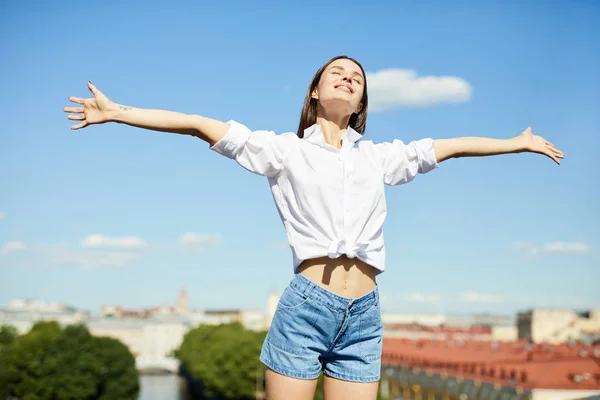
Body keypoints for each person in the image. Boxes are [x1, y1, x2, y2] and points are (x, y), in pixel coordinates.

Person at [63, 55, 564, 400]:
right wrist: (117, 113)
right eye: (338, 73)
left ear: (362, 101)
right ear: (316, 91)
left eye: (358, 78)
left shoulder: (381, 157)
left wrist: (515, 142)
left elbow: (449, 146)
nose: (349, 78)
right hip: (307, 307)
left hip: (365, 314)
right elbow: (199, 123)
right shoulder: (283, 150)